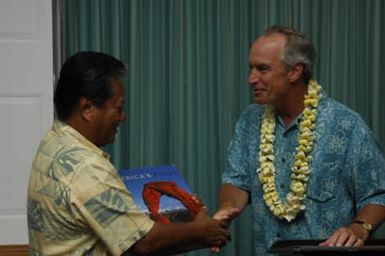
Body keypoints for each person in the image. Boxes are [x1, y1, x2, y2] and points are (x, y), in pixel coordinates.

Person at [27, 51, 230, 256]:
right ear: (87, 108)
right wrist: (201, 230)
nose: (122, 117)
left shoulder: (53, 141)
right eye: (118, 108)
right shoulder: (88, 167)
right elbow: (143, 243)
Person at [213, 25, 385, 255]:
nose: (251, 78)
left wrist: (359, 228)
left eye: (262, 69)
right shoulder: (249, 121)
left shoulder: (345, 124)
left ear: (294, 72)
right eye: (251, 68)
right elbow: (236, 180)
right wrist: (227, 208)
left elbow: (378, 194)